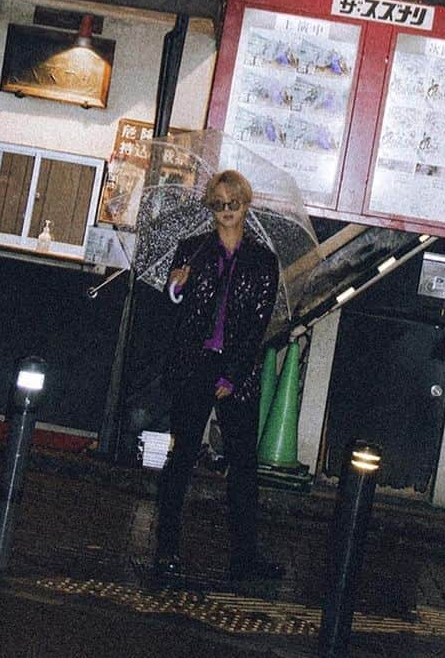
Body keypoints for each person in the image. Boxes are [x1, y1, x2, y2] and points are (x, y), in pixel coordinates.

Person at [153, 168, 283, 582]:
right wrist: (177, 285)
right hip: (195, 364)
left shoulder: (263, 260)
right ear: (211, 207)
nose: (227, 211)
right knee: (183, 456)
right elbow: (175, 309)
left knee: (243, 465)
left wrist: (233, 375)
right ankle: (167, 549)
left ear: (246, 205)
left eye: (235, 204)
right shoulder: (193, 251)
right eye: (219, 204)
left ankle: (245, 554)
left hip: (238, 368)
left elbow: (257, 325)